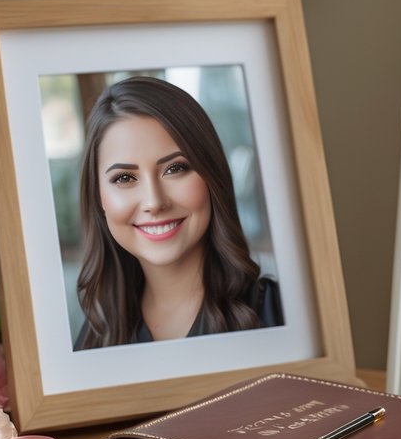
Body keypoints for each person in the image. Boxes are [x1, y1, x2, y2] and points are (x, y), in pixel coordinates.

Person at [74, 76, 282, 350]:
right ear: (99, 196)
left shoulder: (279, 312)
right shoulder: (95, 336)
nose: (154, 202)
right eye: (124, 178)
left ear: (212, 176)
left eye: (175, 169)